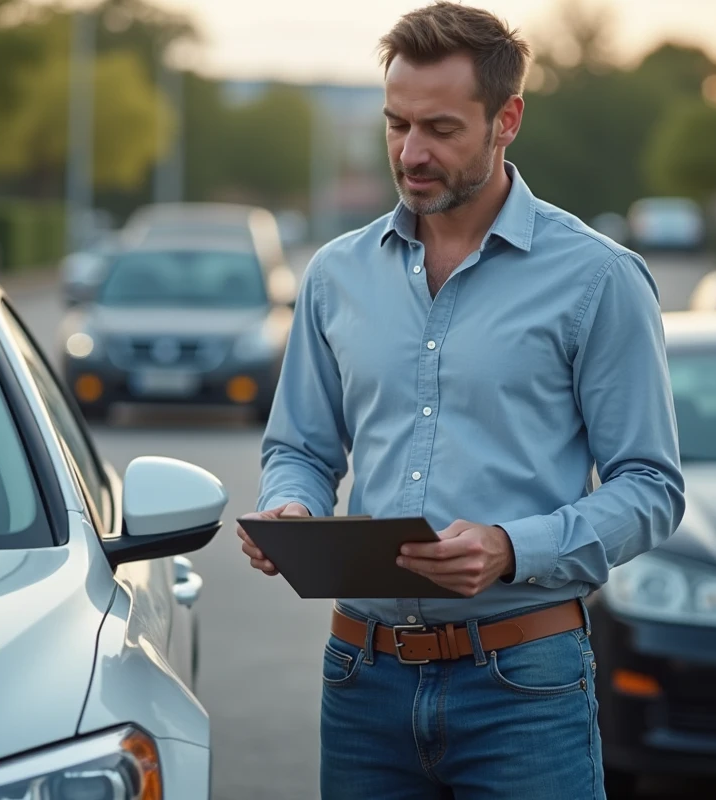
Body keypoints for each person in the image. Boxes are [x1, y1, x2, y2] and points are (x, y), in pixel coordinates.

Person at [237, 3, 685, 797]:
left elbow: (651, 487)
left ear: (506, 119)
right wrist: (293, 512)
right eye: (395, 124)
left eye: (441, 129)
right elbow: (301, 448)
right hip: (360, 678)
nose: (411, 152)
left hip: (524, 684)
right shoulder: (335, 275)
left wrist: (514, 547)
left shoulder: (598, 278)